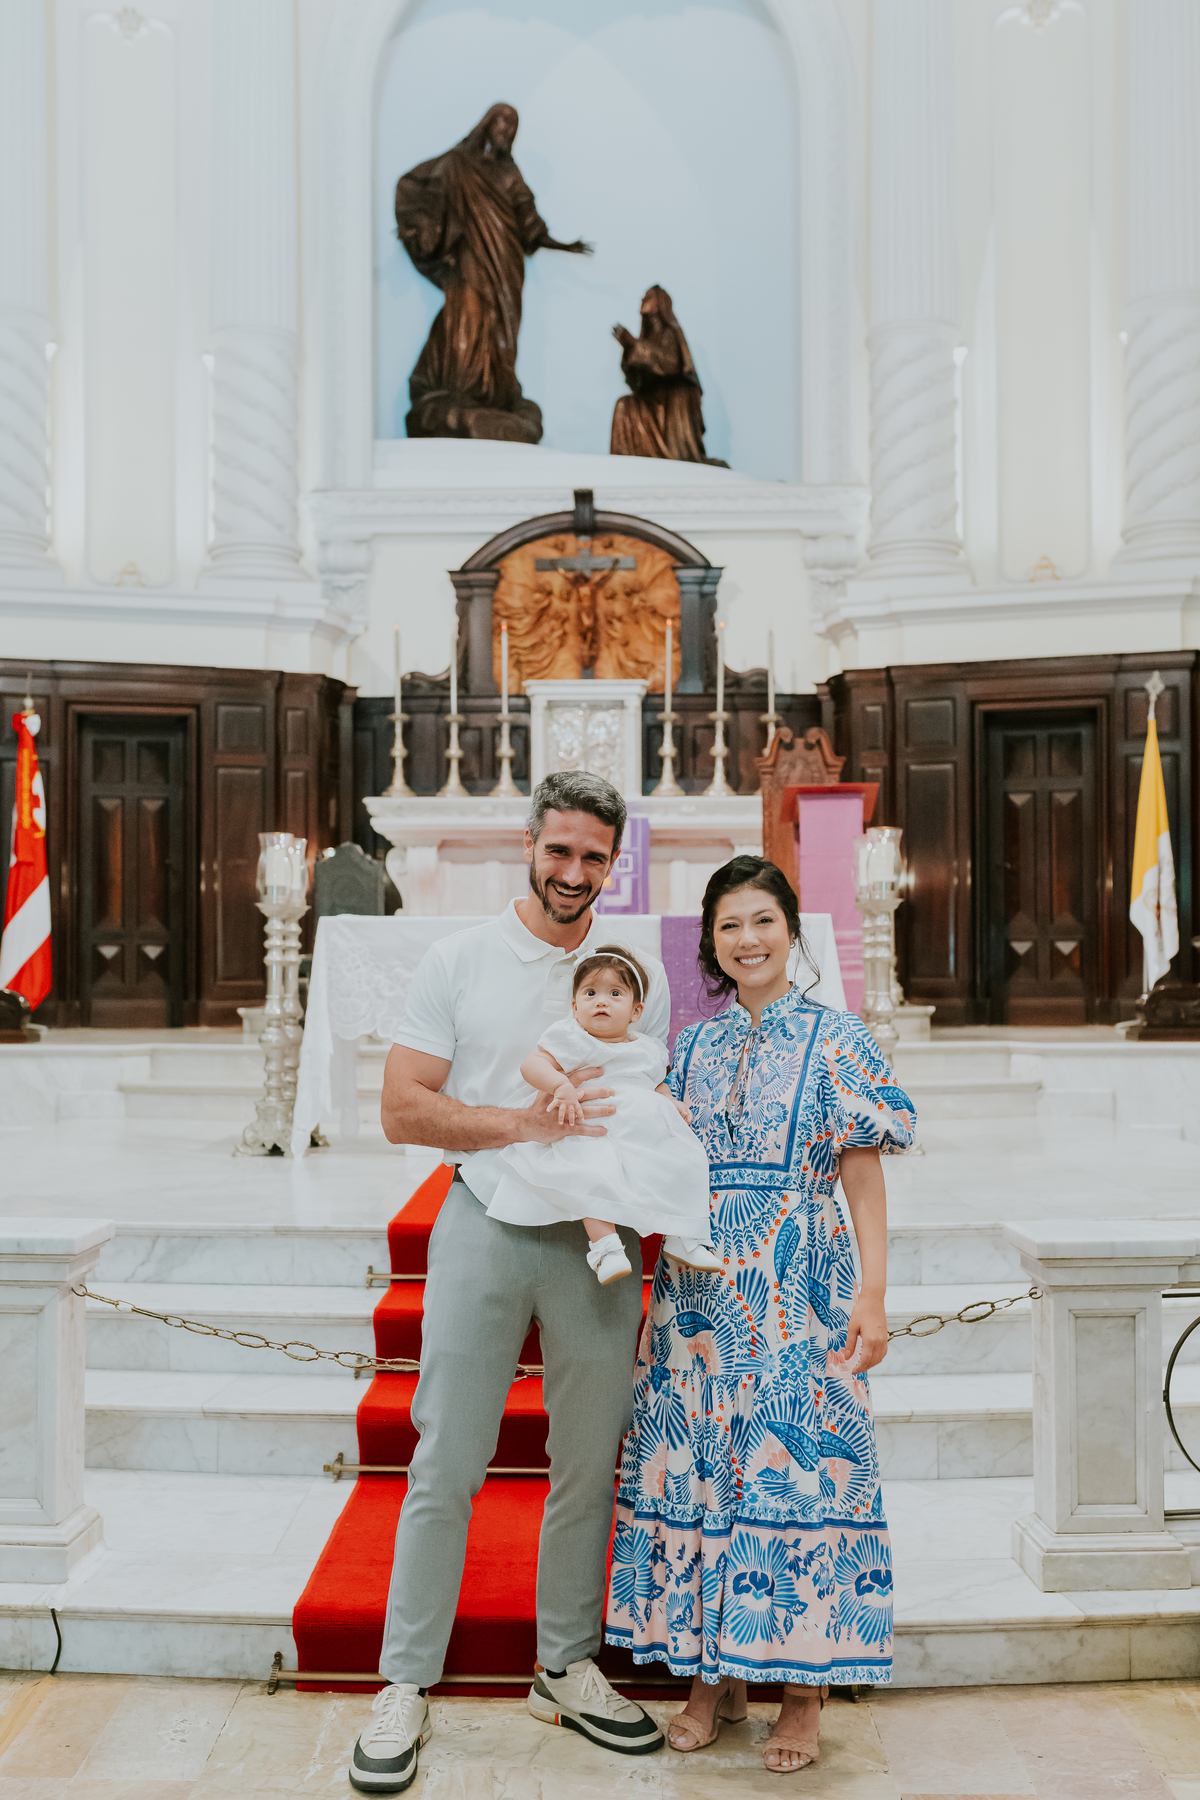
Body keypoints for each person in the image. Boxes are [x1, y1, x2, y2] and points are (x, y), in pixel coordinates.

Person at [348, 771, 666, 1794]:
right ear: (530, 845)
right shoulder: (461, 958)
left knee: (586, 1458)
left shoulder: (636, 964)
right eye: (560, 850)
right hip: (482, 1219)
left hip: (595, 1238)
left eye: (594, 858)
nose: (574, 873)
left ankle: (567, 1664)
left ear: (615, 865)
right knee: (448, 1456)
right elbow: (402, 1108)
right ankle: (404, 1681)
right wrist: (522, 1123)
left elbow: (658, 1099)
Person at [604, 855, 915, 1775]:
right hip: (698, 1299)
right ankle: (712, 1679)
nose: (747, 940)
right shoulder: (690, 1050)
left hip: (799, 1289)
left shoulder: (836, 1040)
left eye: (763, 922)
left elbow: (863, 1170)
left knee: (794, 1475)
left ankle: (803, 1695)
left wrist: (873, 1293)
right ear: (709, 941)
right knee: (708, 1474)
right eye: (729, 925)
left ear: (793, 931)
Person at [461, 944, 720, 1286]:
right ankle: (605, 1247)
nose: (601, 1001)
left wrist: (670, 1101)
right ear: (574, 1006)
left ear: (636, 1010)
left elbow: (655, 1082)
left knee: (686, 1159)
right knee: (593, 1171)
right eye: (590, 992)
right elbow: (533, 1064)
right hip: (592, 1125)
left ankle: (684, 1235)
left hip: (641, 1130)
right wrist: (560, 1085)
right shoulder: (573, 1038)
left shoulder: (647, 1048)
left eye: (615, 993)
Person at [395, 102, 591, 443]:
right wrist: (419, 227)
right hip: (470, 257)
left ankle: (496, 392)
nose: (507, 134)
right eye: (503, 126)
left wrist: (564, 245)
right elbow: (416, 186)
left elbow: (529, 220)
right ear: (488, 125)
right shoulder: (457, 164)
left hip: (506, 262)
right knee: (467, 313)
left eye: (513, 130)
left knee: (503, 326)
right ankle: (462, 388)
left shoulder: (510, 172)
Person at [609, 285, 726, 465]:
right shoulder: (646, 339)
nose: (642, 300)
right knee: (624, 404)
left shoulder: (670, 333)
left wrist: (635, 345)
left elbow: (671, 365)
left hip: (672, 397)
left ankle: (679, 454)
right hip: (650, 398)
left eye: (648, 297)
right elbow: (636, 382)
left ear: (660, 304)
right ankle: (626, 465)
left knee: (678, 395)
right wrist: (629, 348)